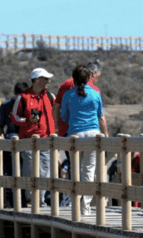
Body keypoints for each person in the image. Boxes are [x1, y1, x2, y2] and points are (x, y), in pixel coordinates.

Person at [60, 65, 108, 215]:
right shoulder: (95, 94)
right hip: (93, 135)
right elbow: (100, 115)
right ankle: (85, 207)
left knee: (75, 171)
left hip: (75, 135)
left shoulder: (68, 95)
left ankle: (75, 203)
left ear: (73, 79)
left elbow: (64, 117)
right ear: (89, 78)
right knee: (88, 171)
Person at [10, 67, 55, 207]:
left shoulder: (49, 96)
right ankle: (30, 201)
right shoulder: (23, 97)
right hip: (28, 141)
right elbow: (14, 116)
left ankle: (40, 201)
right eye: (45, 79)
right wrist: (28, 121)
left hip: (46, 140)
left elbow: (55, 115)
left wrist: (55, 132)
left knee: (45, 171)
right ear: (37, 80)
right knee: (30, 170)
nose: (48, 81)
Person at [0, 82, 30, 208]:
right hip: (10, 142)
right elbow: (0, 126)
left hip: (26, 141)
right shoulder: (5, 105)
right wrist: (1, 136)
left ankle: (25, 202)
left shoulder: (28, 104)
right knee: (13, 173)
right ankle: (16, 204)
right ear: (15, 94)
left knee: (25, 173)